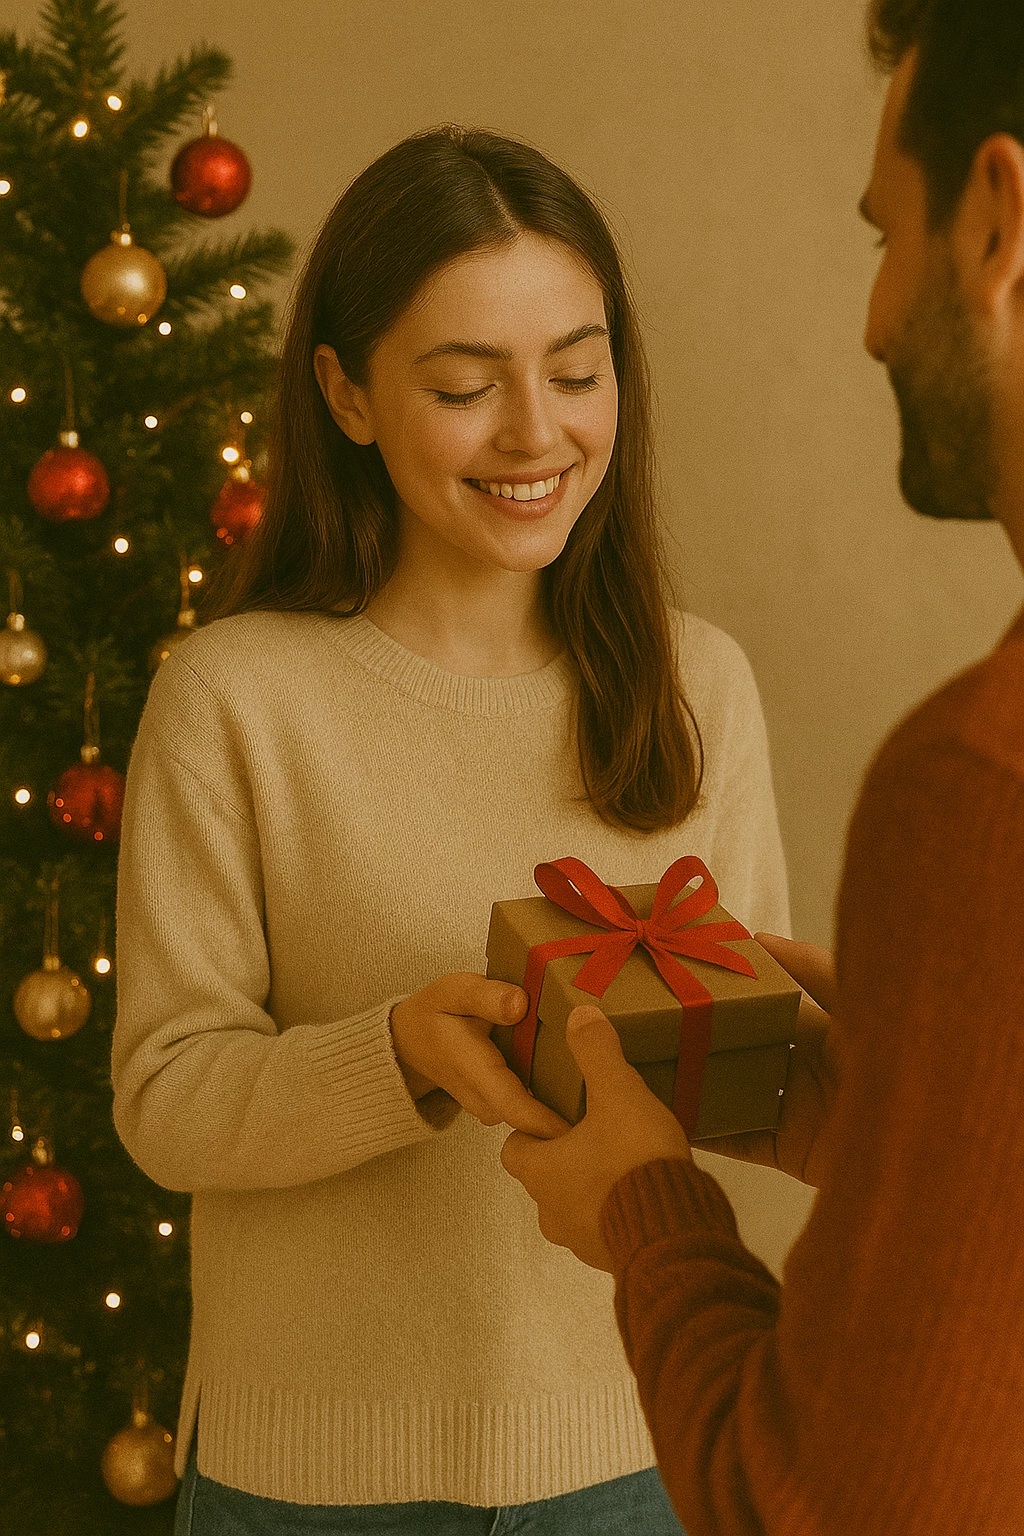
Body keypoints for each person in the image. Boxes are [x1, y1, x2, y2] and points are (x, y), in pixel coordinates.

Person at [111, 124, 796, 1534]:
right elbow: (165, 1097)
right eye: (465, 386)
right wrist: (399, 1058)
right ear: (348, 396)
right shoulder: (233, 700)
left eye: (577, 370)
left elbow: (754, 1089)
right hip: (308, 1480)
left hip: (632, 1453)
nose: (537, 433)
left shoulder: (696, 686)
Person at [502, 1, 1024, 1531]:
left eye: (889, 236)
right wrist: (914, 1127)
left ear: (999, 215)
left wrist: (648, 1214)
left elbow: (821, 1503)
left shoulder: (977, 784)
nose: (870, 316)